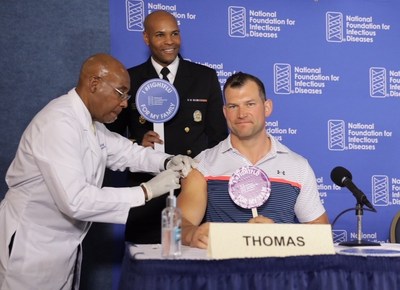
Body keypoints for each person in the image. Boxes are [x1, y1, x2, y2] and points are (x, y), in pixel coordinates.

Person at [0, 53, 196, 290]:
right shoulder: (58, 123)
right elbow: (75, 200)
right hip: (30, 246)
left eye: (127, 95)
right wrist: (145, 191)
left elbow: (128, 152)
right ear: (94, 84)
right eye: (120, 93)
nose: (125, 103)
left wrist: (168, 161)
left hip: (61, 247)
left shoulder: (91, 124)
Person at [107, 10, 228, 244]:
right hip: (146, 192)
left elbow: (218, 137)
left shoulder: (205, 77)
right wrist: (136, 143)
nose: (169, 41)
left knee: (192, 268)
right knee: (143, 266)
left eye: (174, 34)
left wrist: (198, 174)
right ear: (146, 38)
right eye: (160, 35)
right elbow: (109, 138)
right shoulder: (130, 79)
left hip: (192, 192)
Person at [177, 72, 330, 249]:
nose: (241, 114)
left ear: (267, 108)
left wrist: (280, 234)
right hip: (223, 270)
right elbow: (181, 223)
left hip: (281, 270)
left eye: (250, 104)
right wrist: (192, 234)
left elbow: (321, 232)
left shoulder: (298, 166)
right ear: (225, 112)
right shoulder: (203, 165)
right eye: (233, 106)